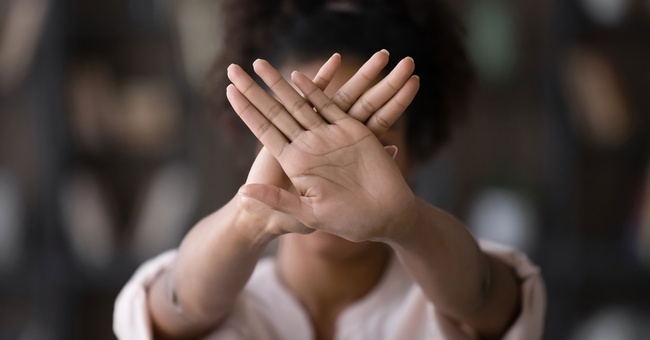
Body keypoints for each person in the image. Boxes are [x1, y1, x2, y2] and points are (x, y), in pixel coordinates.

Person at [114, 1, 545, 339]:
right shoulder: (223, 288)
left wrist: (408, 224)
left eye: (373, 138)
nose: (326, 169)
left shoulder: (447, 286)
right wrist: (249, 218)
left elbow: (483, 295)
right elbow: (180, 304)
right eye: (298, 129)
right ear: (256, 142)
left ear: (419, 149)